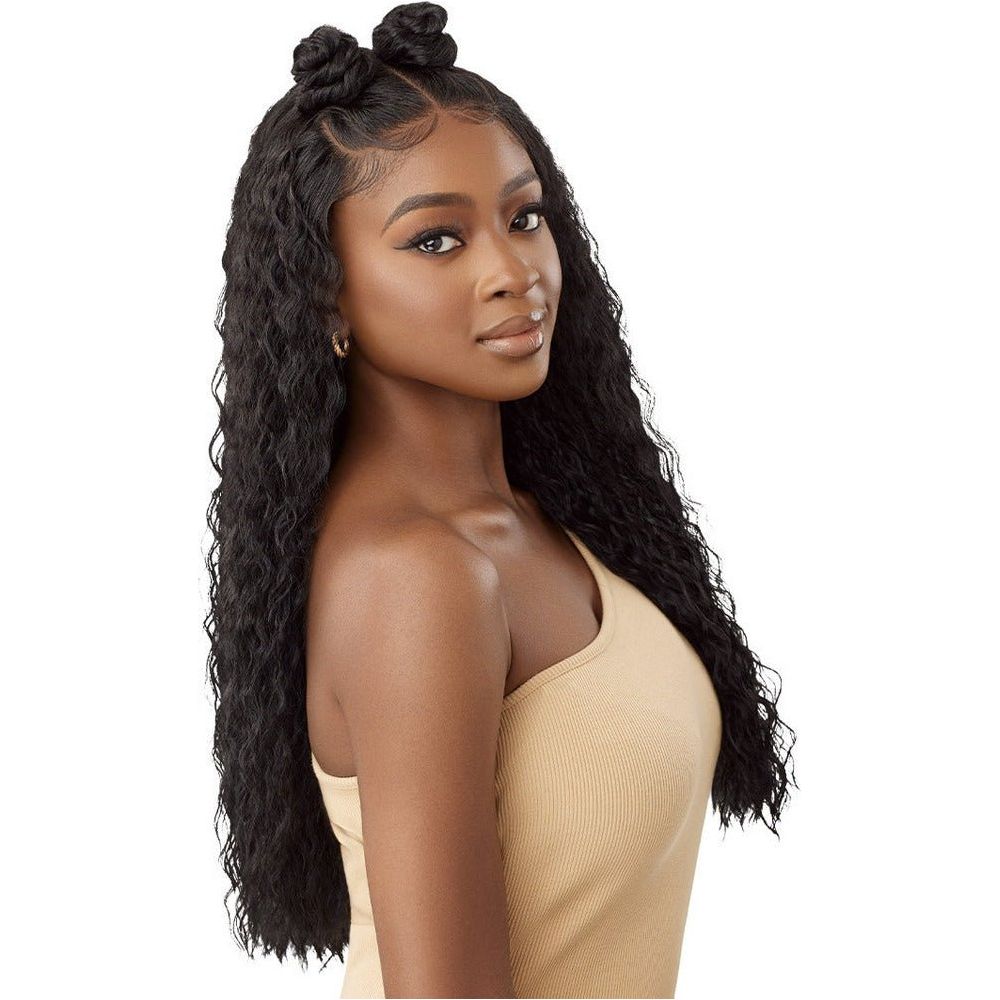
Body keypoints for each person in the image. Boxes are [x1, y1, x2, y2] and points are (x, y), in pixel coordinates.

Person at [205, 4, 797, 996]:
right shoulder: (418, 577)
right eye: (437, 240)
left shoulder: (537, 519)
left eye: (524, 218)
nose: (513, 271)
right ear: (324, 295)